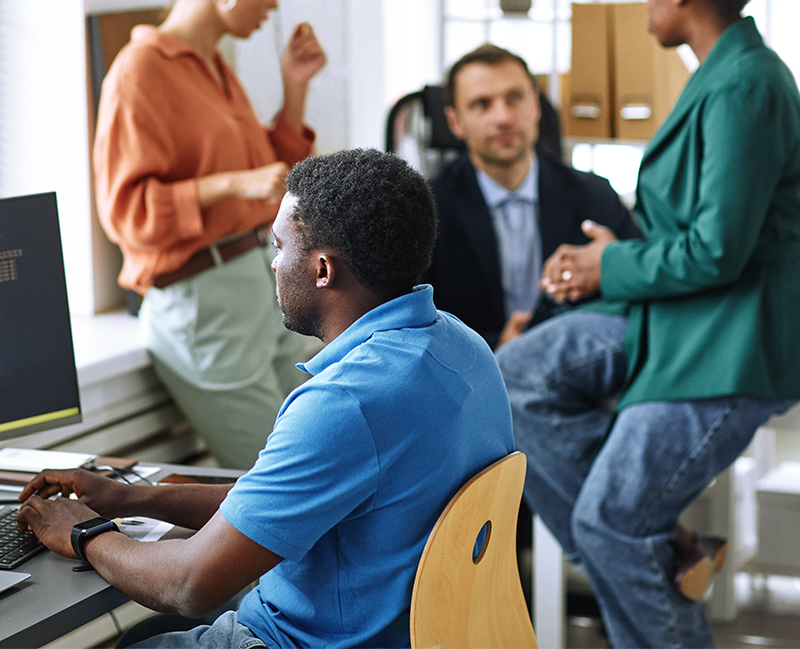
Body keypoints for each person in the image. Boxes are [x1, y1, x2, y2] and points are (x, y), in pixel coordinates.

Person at [17, 149, 515, 649]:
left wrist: (84, 533)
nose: (272, 263)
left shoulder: (345, 402)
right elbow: (282, 503)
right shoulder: (463, 347)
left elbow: (187, 585)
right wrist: (134, 498)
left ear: (322, 269)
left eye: (277, 246)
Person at [495, 0, 800, 648]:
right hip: (685, 313)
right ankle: (655, 544)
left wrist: (609, 267)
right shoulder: (721, 74)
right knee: (512, 376)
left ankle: (631, 535)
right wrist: (616, 248)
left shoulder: (746, 84)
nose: (641, 5)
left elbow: (719, 251)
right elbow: (704, 225)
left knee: (607, 523)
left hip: (729, 339)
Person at [93, 0, 327, 469]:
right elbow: (127, 216)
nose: (273, 0)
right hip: (202, 303)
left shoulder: (216, 66)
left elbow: (265, 183)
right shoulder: (140, 71)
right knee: (272, 486)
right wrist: (231, 181)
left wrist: (294, 87)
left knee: (324, 460)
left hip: (258, 283)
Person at [423, 44, 641, 350]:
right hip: (469, 372)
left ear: (536, 105)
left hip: (575, 367)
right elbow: (412, 320)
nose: (503, 117)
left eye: (515, 98)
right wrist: (495, 345)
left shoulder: (593, 194)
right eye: (482, 105)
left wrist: (616, 261)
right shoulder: (427, 211)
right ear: (455, 121)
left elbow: (641, 286)